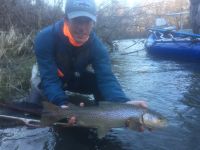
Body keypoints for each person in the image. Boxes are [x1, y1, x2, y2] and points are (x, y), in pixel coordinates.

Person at [29, 0, 147, 112]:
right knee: (36, 110)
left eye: (87, 22)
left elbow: (106, 78)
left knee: (99, 84)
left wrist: (122, 103)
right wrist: (62, 104)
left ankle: (101, 119)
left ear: (93, 23)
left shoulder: (98, 48)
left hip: (73, 77)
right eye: (77, 20)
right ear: (66, 20)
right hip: (47, 78)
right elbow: (49, 79)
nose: (82, 28)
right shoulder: (45, 38)